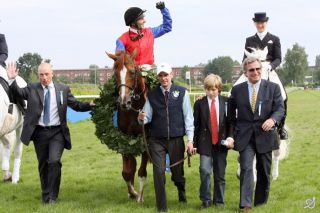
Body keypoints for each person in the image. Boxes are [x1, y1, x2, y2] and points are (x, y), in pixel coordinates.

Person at [6, 62, 95, 204]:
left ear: (52, 74)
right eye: (41, 74)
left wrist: (90, 105)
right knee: (43, 165)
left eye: (47, 74)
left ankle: (53, 196)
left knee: (54, 161)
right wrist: (11, 80)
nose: (44, 77)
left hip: (57, 133)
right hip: (39, 133)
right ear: (38, 75)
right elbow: (18, 93)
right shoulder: (32, 88)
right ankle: (45, 195)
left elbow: (76, 106)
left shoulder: (63, 89)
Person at [229, 57, 284, 212]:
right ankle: (246, 204)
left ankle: (260, 202)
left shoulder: (273, 88)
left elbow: (280, 108)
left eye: (257, 69)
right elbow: (230, 114)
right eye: (251, 70)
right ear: (245, 73)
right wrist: (233, 133)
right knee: (246, 168)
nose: (255, 72)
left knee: (264, 171)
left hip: (265, 135)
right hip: (245, 137)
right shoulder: (237, 90)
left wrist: (273, 120)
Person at [138, 62, 194, 212]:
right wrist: (141, 117)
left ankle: (181, 190)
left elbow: (188, 117)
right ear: (158, 77)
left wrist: (190, 140)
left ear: (172, 75)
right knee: (158, 173)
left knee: (177, 174)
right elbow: (146, 117)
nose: (163, 78)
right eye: (161, 75)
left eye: (166, 75)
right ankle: (161, 207)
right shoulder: (152, 94)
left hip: (176, 139)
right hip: (157, 140)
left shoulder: (182, 92)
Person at [243, 12, 288, 140]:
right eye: (258, 23)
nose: (260, 25)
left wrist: (270, 66)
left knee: (284, 96)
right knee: (234, 90)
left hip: (268, 69)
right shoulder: (249, 40)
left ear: (266, 23)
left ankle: (281, 128)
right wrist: (245, 70)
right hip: (252, 70)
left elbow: (278, 58)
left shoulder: (274, 39)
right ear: (255, 24)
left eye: (262, 23)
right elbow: (244, 59)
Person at [193, 74, 234, 209]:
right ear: (205, 89)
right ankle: (205, 199)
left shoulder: (227, 102)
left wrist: (230, 137)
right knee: (204, 171)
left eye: (214, 89)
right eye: (208, 89)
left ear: (219, 89)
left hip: (221, 144)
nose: (211, 92)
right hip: (205, 144)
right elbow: (196, 125)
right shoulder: (199, 103)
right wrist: (193, 144)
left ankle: (219, 201)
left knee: (220, 174)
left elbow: (231, 124)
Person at [116, 1, 172, 66]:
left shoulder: (150, 32)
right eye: (141, 19)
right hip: (133, 73)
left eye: (143, 17)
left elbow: (167, 27)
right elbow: (119, 62)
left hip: (151, 72)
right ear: (133, 23)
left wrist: (163, 9)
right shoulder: (121, 40)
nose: (144, 21)